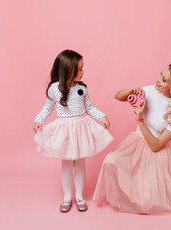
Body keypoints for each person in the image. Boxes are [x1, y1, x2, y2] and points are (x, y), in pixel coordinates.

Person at [93, 63, 171, 214]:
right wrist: (130, 91)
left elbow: (156, 145)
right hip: (136, 142)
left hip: (155, 151)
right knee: (111, 160)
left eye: (164, 79)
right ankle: (130, 193)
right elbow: (118, 96)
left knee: (147, 203)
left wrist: (140, 119)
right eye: (161, 74)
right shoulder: (152, 90)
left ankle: (144, 192)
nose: (158, 79)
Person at [33, 49, 113, 213]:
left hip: (81, 129)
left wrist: (102, 116)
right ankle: (67, 197)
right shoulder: (54, 89)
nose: (83, 72)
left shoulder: (81, 89)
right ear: (69, 70)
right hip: (65, 131)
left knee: (80, 164)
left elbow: (89, 108)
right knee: (67, 165)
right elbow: (47, 108)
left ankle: (80, 197)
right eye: (80, 69)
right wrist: (38, 120)